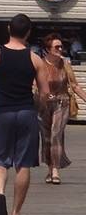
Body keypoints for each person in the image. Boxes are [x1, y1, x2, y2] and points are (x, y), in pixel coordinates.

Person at [0, 13, 42, 215]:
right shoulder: (34, 58)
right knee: (24, 163)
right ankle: (15, 214)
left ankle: (0, 191)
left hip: (4, 111)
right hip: (26, 111)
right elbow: (44, 92)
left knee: (0, 160)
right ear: (28, 32)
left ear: (9, 29)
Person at [37, 33, 85, 185]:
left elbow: (75, 85)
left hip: (62, 103)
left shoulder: (65, 64)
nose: (60, 49)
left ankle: (56, 170)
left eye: (61, 46)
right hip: (44, 105)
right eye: (56, 47)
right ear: (48, 49)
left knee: (55, 135)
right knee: (46, 138)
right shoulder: (40, 64)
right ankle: (50, 168)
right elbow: (34, 86)